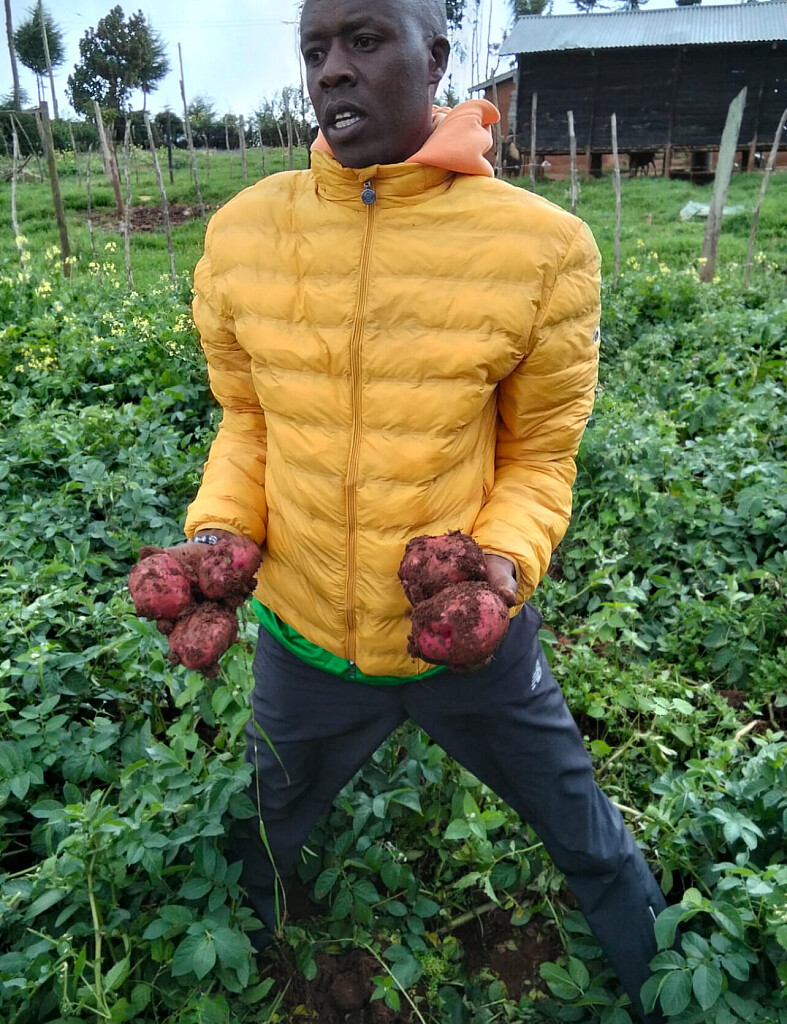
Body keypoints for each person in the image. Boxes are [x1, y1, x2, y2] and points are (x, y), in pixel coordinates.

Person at [181, 1, 667, 1019]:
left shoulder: (538, 248)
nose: (332, 70)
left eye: (364, 40)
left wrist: (499, 567)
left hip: (464, 634)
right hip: (304, 637)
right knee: (264, 827)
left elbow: (539, 453)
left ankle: (671, 988)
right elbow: (247, 422)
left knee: (580, 828)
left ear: (435, 57)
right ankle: (224, 973)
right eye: (315, 49)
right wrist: (218, 536)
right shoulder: (244, 234)